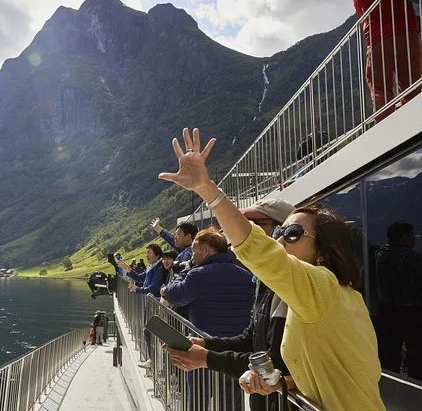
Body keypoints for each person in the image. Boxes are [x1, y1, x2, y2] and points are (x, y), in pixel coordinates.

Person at [160, 128, 385, 411]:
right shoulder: (296, 297)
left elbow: (260, 251)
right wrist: (281, 382)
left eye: (292, 233)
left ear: (324, 252)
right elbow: (309, 368)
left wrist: (207, 189)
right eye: (278, 232)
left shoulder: (324, 287)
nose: (278, 240)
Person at [170, 199, 294, 411]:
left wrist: (207, 357)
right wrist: (206, 344)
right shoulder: (255, 279)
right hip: (242, 368)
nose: (243, 233)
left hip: (273, 394)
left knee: (198, 400)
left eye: (253, 225)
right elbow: (252, 338)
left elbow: (275, 360)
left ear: (283, 233)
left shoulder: (292, 289)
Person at [354, 0, 421, 122]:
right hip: (407, 34)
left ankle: (386, 124)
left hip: (378, 41)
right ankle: (416, 120)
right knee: (412, 84)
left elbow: (362, 15)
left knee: (380, 88)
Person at [375, 221, 422, 380]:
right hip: (411, 311)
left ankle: (390, 382)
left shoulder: (380, 255)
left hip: (386, 310)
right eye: (411, 234)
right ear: (403, 238)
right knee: (416, 352)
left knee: (390, 353)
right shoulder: (412, 257)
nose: (414, 238)